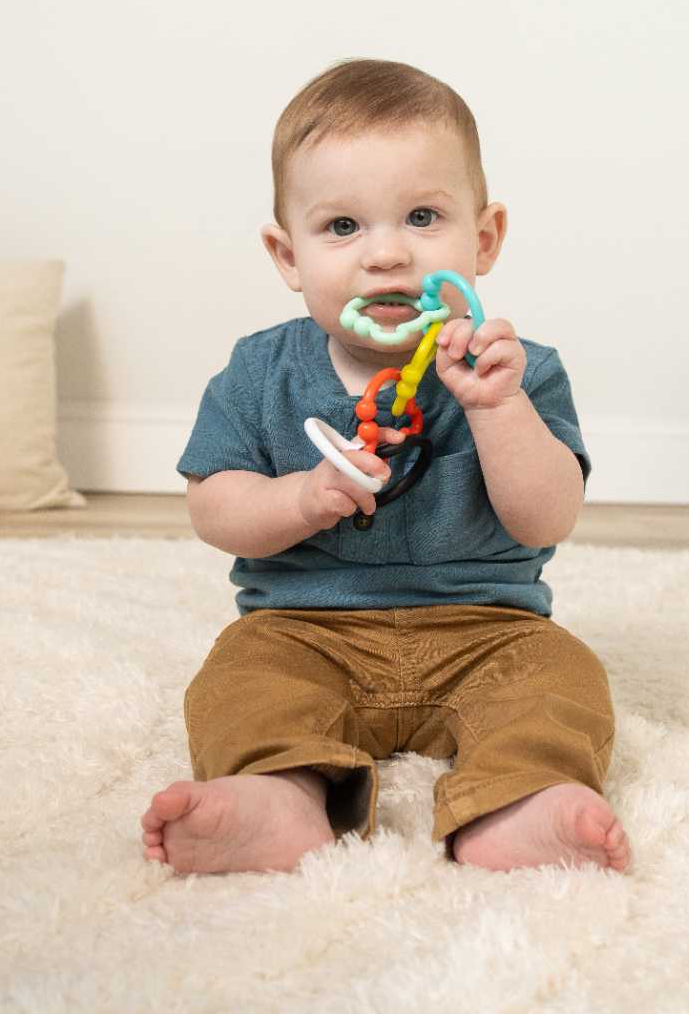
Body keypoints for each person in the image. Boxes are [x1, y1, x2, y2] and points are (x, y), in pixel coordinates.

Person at [139, 59, 629, 874]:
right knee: (241, 683)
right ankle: (281, 795)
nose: (387, 255)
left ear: (484, 239)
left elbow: (548, 519)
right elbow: (214, 508)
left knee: (560, 682)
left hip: (486, 628)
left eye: (423, 216)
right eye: (342, 228)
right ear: (286, 253)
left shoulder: (519, 369)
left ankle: (519, 803)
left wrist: (496, 410)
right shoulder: (259, 372)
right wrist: (300, 498)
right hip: (304, 628)